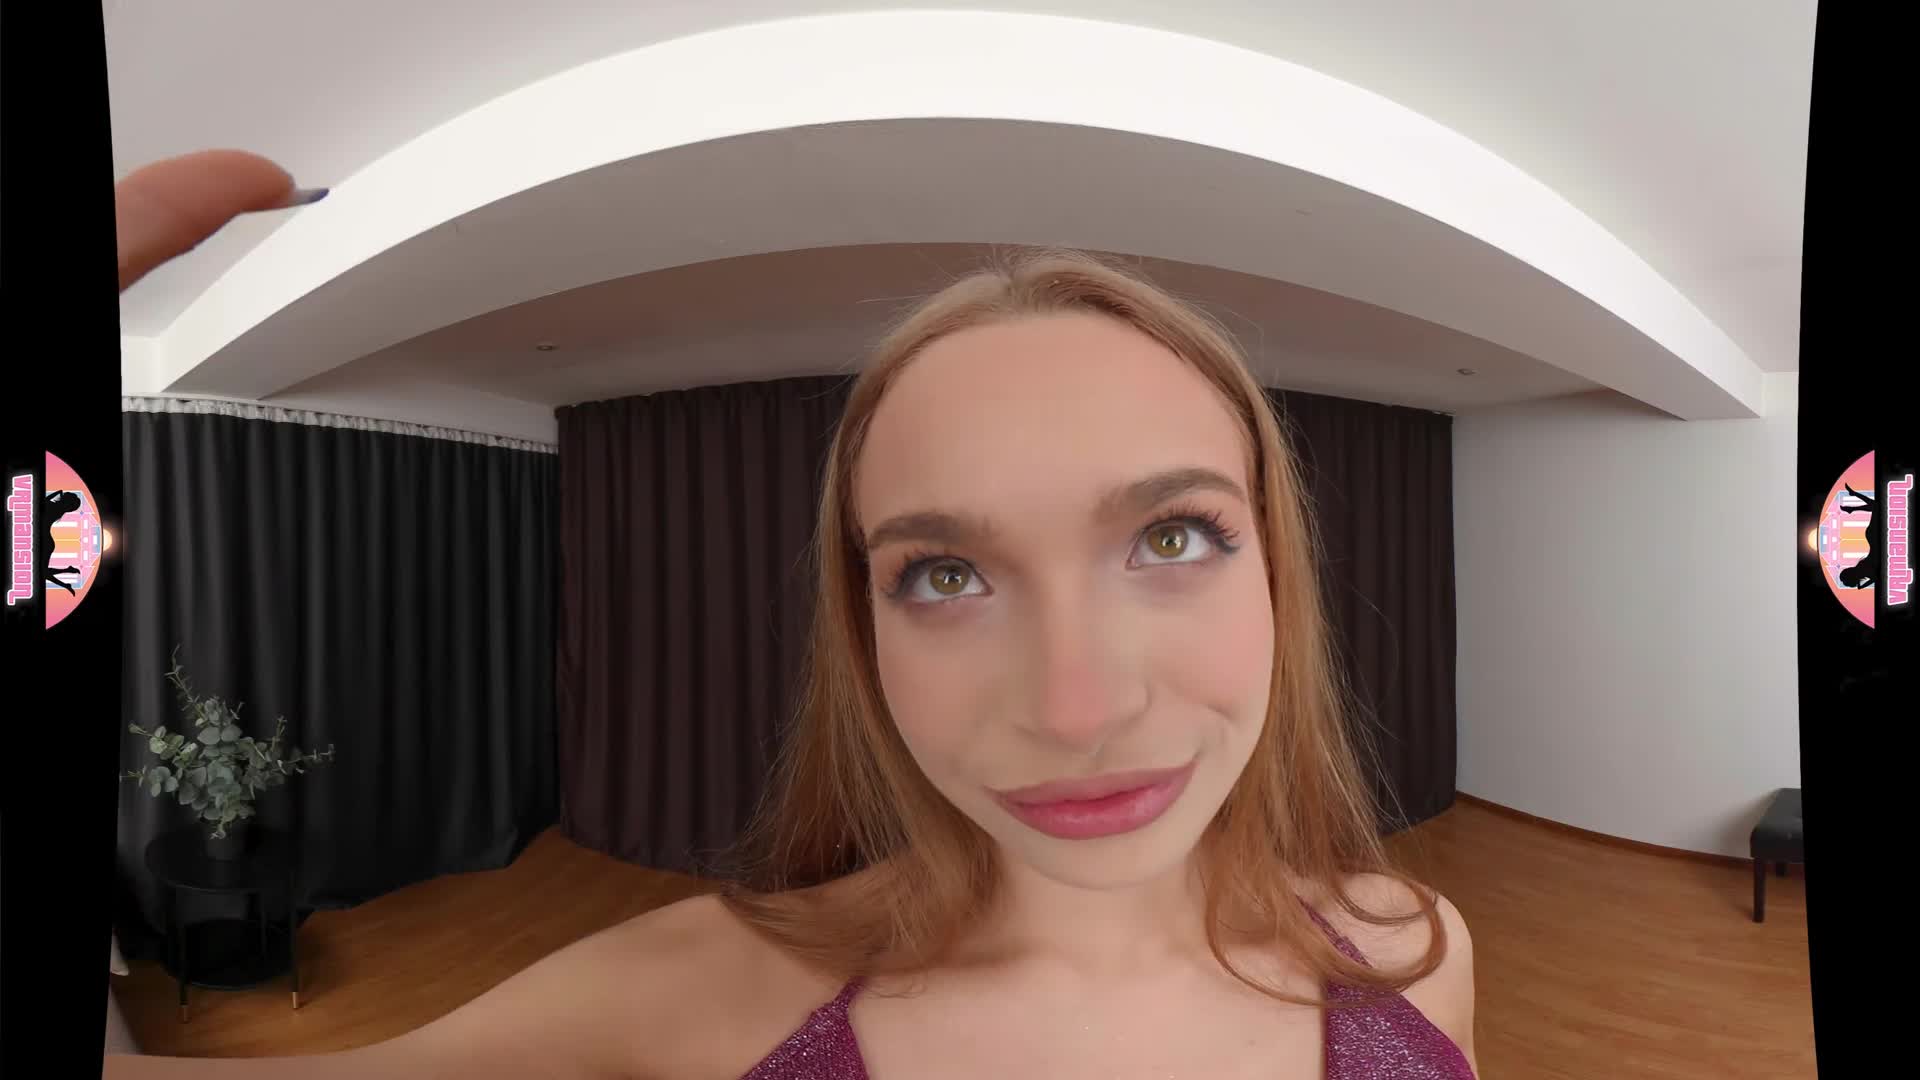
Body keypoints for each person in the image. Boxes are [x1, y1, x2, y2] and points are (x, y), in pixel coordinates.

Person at [107, 156, 1477, 1079]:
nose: (1077, 709)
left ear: (1277, 579)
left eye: (1172, 538)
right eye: (946, 576)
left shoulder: (1417, 949)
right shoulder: (699, 993)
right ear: (863, 635)